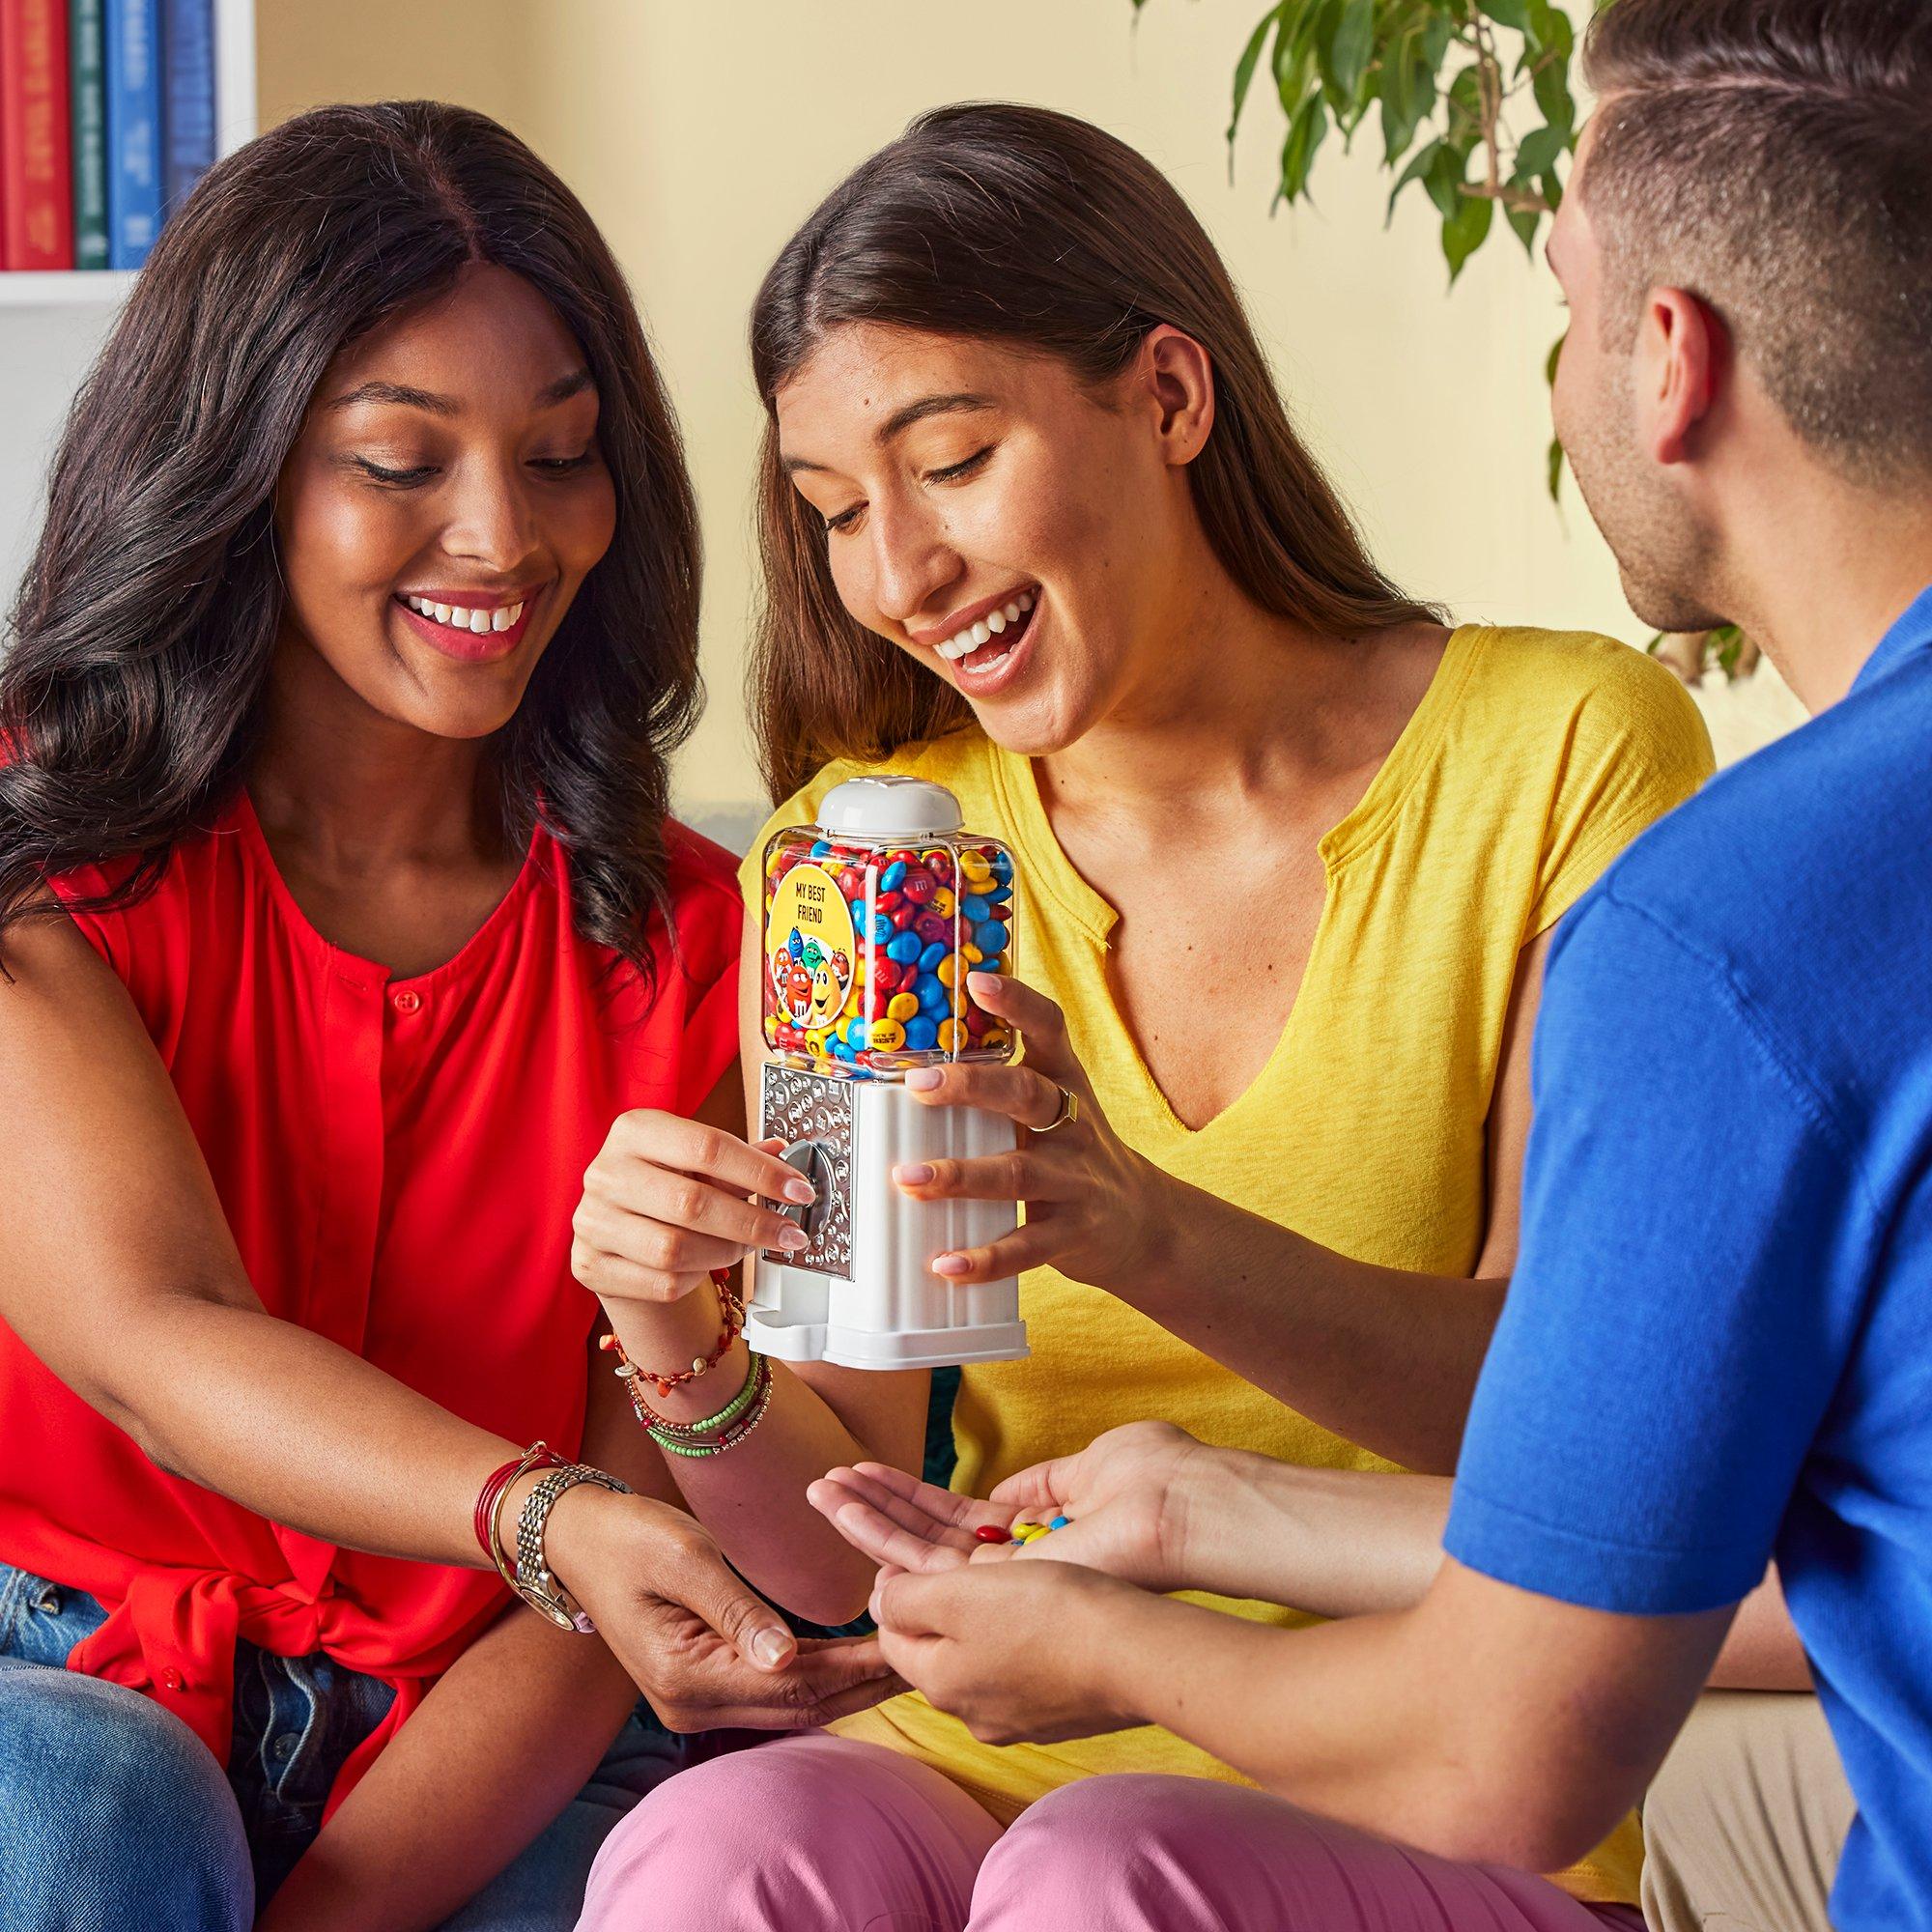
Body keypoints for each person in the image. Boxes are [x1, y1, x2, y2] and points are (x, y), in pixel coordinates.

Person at [832, 7, 1932, 1932]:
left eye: (1568, 303)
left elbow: (1510, 1751)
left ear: (1666, 361)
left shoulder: (1721, 938)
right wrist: (1198, 1514)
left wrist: (1111, 1649)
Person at [575, 101, 1729, 1932]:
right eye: (835, 513)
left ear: (1170, 399)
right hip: (994, 1735)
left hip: (1430, 1762)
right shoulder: (857, 868)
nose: (896, 578)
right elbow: (839, 1547)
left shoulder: (1567, 753)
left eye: (949, 461)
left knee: (1105, 1877)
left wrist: (1145, 1229)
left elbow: (1559, 1417)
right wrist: (682, 1347)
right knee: (715, 1852)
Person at [0, 102, 902, 1932]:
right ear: (236, 465)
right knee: (100, 1813)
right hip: (63, 1690)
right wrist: (545, 1518)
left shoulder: (710, 940)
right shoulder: (44, 857)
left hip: (508, 1713)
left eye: (561, 454)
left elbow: (642, 1547)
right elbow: (145, 1334)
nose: (503, 536)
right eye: (401, 461)